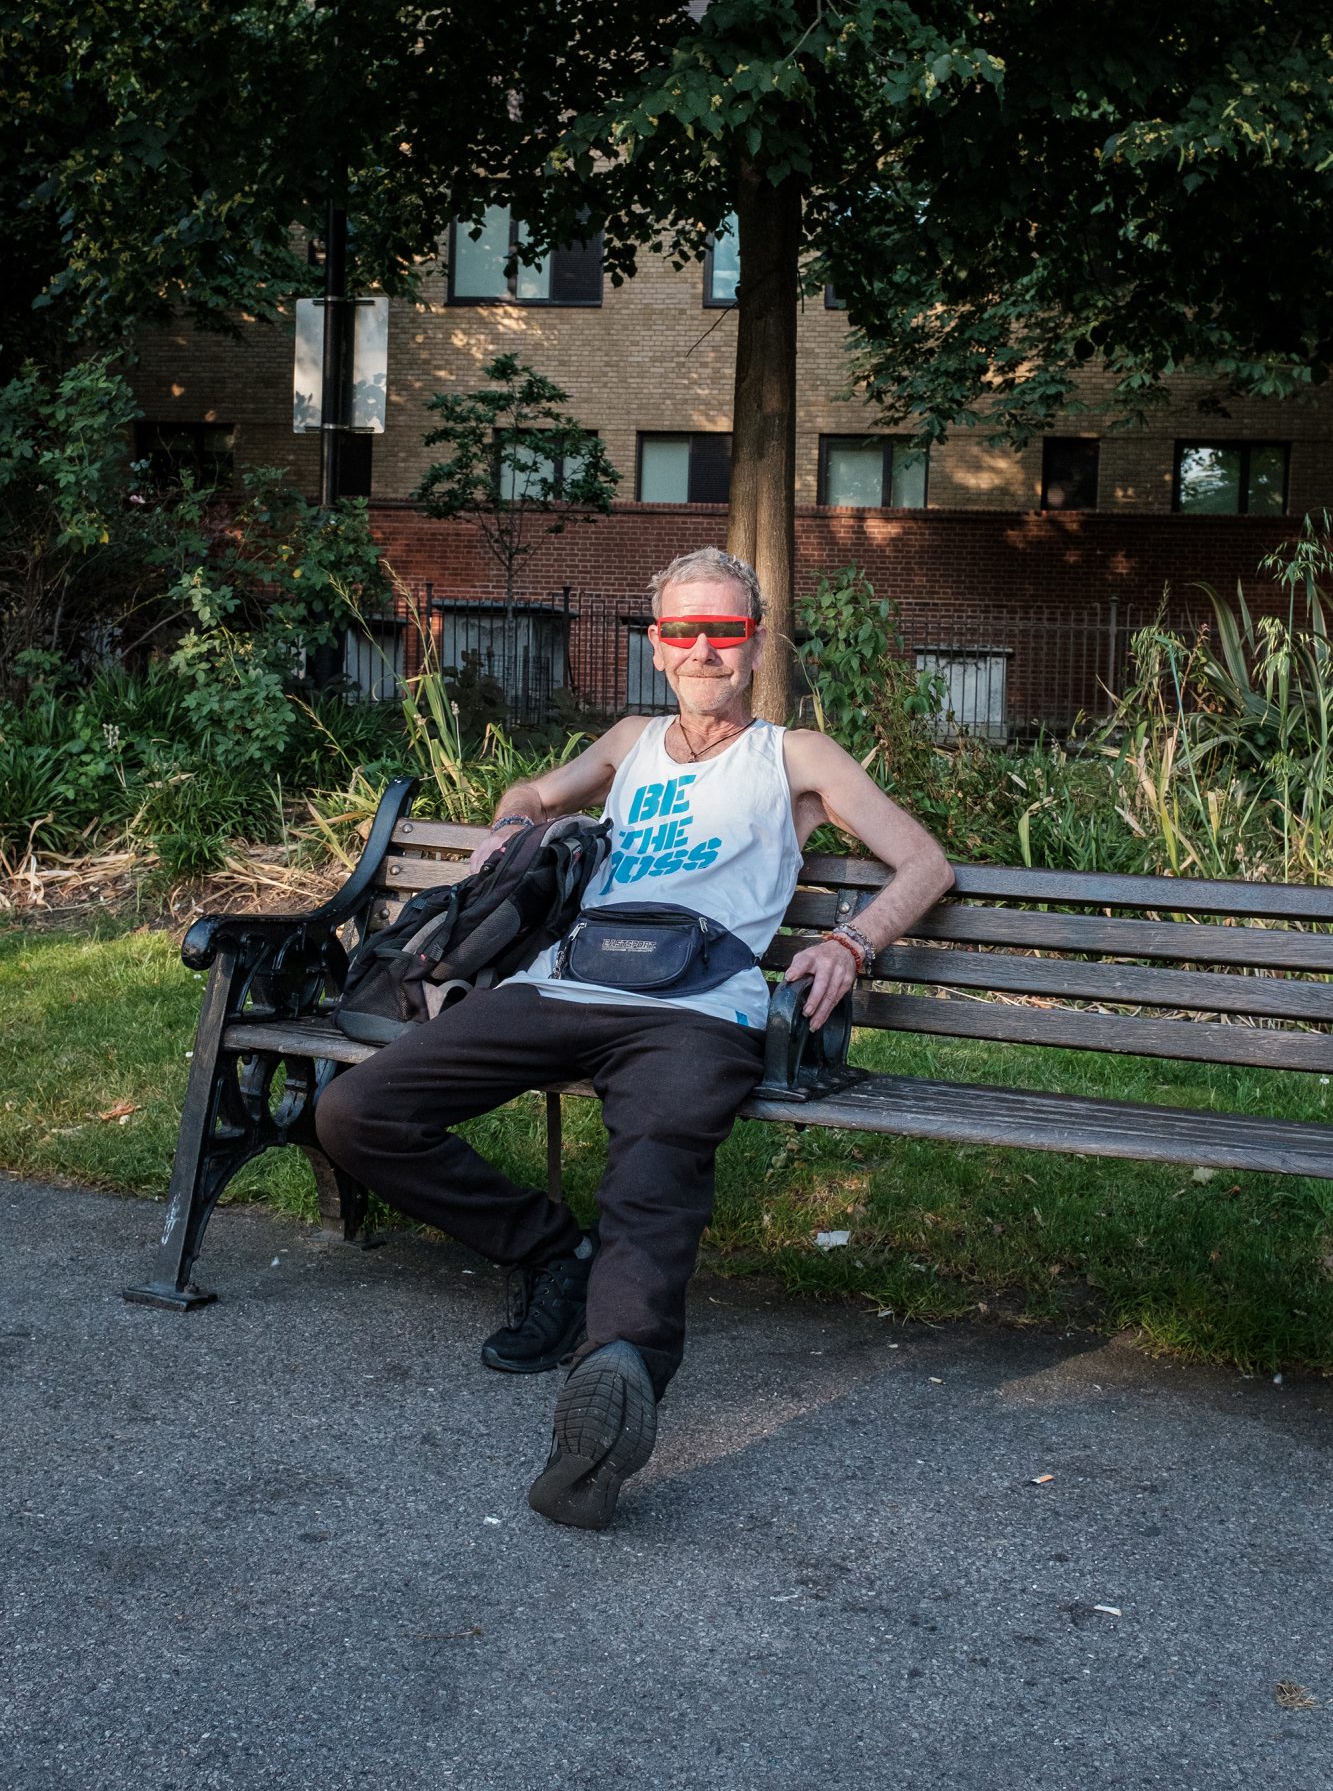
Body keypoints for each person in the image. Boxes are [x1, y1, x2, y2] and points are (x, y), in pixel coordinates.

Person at [316, 547, 953, 1529]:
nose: (703, 649)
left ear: (755, 644)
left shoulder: (796, 757)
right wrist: (509, 829)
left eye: (725, 630)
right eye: (682, 630)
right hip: (562, 980)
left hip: (697, 1006)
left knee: (653, 1169)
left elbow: (924, 862)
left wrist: (850, 941)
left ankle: (615, 1375)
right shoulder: (628, 742)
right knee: (357, 1111)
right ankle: (551, 1252)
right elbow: (533, 794)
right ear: (656, 645)